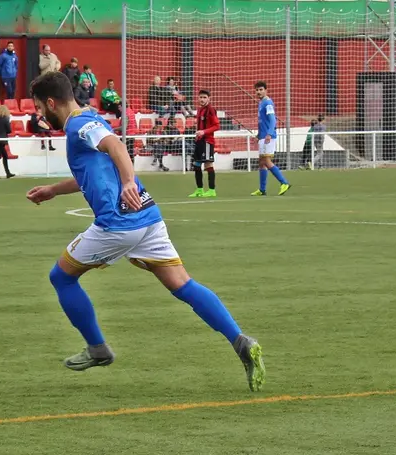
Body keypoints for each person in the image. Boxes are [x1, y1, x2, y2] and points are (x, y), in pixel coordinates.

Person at [24, 71, 265, 390]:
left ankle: (97, 348)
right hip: (147, 217)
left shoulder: (78, 124)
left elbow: (116, 147)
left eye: (40, 107)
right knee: (182, 284)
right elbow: (96, 170)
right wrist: (54, 190)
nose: (40, 114)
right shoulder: (91, 117)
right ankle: (241, 341)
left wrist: (127, 182)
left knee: (62, 277)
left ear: (51, 102)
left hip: (117, 224)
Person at [251, 81, 290, 196]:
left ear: (266, 90)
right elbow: (262, 122)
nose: (258, 92)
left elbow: (273, 119)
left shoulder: (268, 103)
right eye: (257, 90)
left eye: (261, 89)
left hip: (268, 137)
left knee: (266, 161)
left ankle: (284, 183)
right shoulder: (261, 103)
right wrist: (259, 135)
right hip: (263, 136)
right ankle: (262, 189)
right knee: (261, 162)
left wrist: (269, 133)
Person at [188, 90, 220, 198]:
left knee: (208, 164)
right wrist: (198, 134)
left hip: (207, 141)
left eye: (204, 97)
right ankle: (199, 190)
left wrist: (204, 132)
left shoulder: (210, 110)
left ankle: (211, 190)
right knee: (196, 164)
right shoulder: (200, 110)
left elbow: (217, 126)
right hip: (200, 141)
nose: (202, 99)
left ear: (209, 98)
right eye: (200, 97)